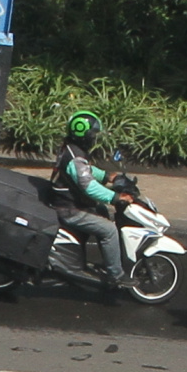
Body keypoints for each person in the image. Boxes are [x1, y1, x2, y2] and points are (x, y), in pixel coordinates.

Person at [53, 111, 128, 285]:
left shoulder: (71, 150)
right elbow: (88, 185)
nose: (94, 138)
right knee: (109, 230)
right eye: (92, 134)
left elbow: (85, 172)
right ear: (83, 134)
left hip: (68, 204)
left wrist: (107, 176)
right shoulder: (75, 157)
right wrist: (115, 197)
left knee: (101, 211)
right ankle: (116, 275)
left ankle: (106, 261)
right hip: (69, 209)